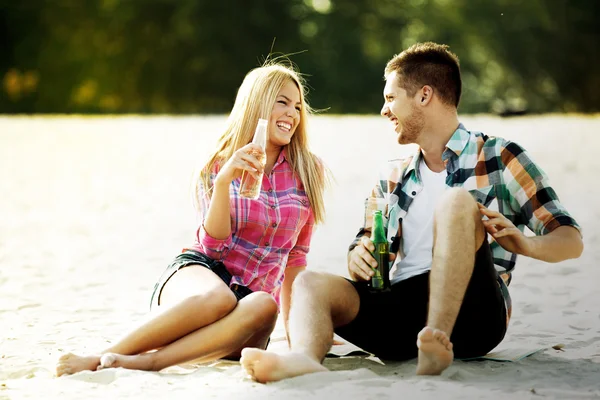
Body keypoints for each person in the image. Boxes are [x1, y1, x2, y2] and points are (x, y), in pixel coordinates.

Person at [240, 42, 584, 382]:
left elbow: (570, 240)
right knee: (310, 282)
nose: (383, 110)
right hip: (400, 312)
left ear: (424, 95)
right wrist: (357, 259)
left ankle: (437, 337)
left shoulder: (499, 156)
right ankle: (304, 358)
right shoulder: (393, 176)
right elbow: (365, 249)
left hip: (473, 314)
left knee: (456, 202)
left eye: (390, 98)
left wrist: (523, 243)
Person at [56, 61, 330, 376]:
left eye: (297, 106)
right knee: (218, 296)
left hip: (246, 310)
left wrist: (299, 343)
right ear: (257, 104)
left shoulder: (308, 171)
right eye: (282, 102)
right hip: (200, 278)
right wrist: (225, 182)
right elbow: (212, 248)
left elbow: (295, 259)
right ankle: (106, 356)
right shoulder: (218, 163)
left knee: (265, 304)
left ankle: (150, 361)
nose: (293, 114)